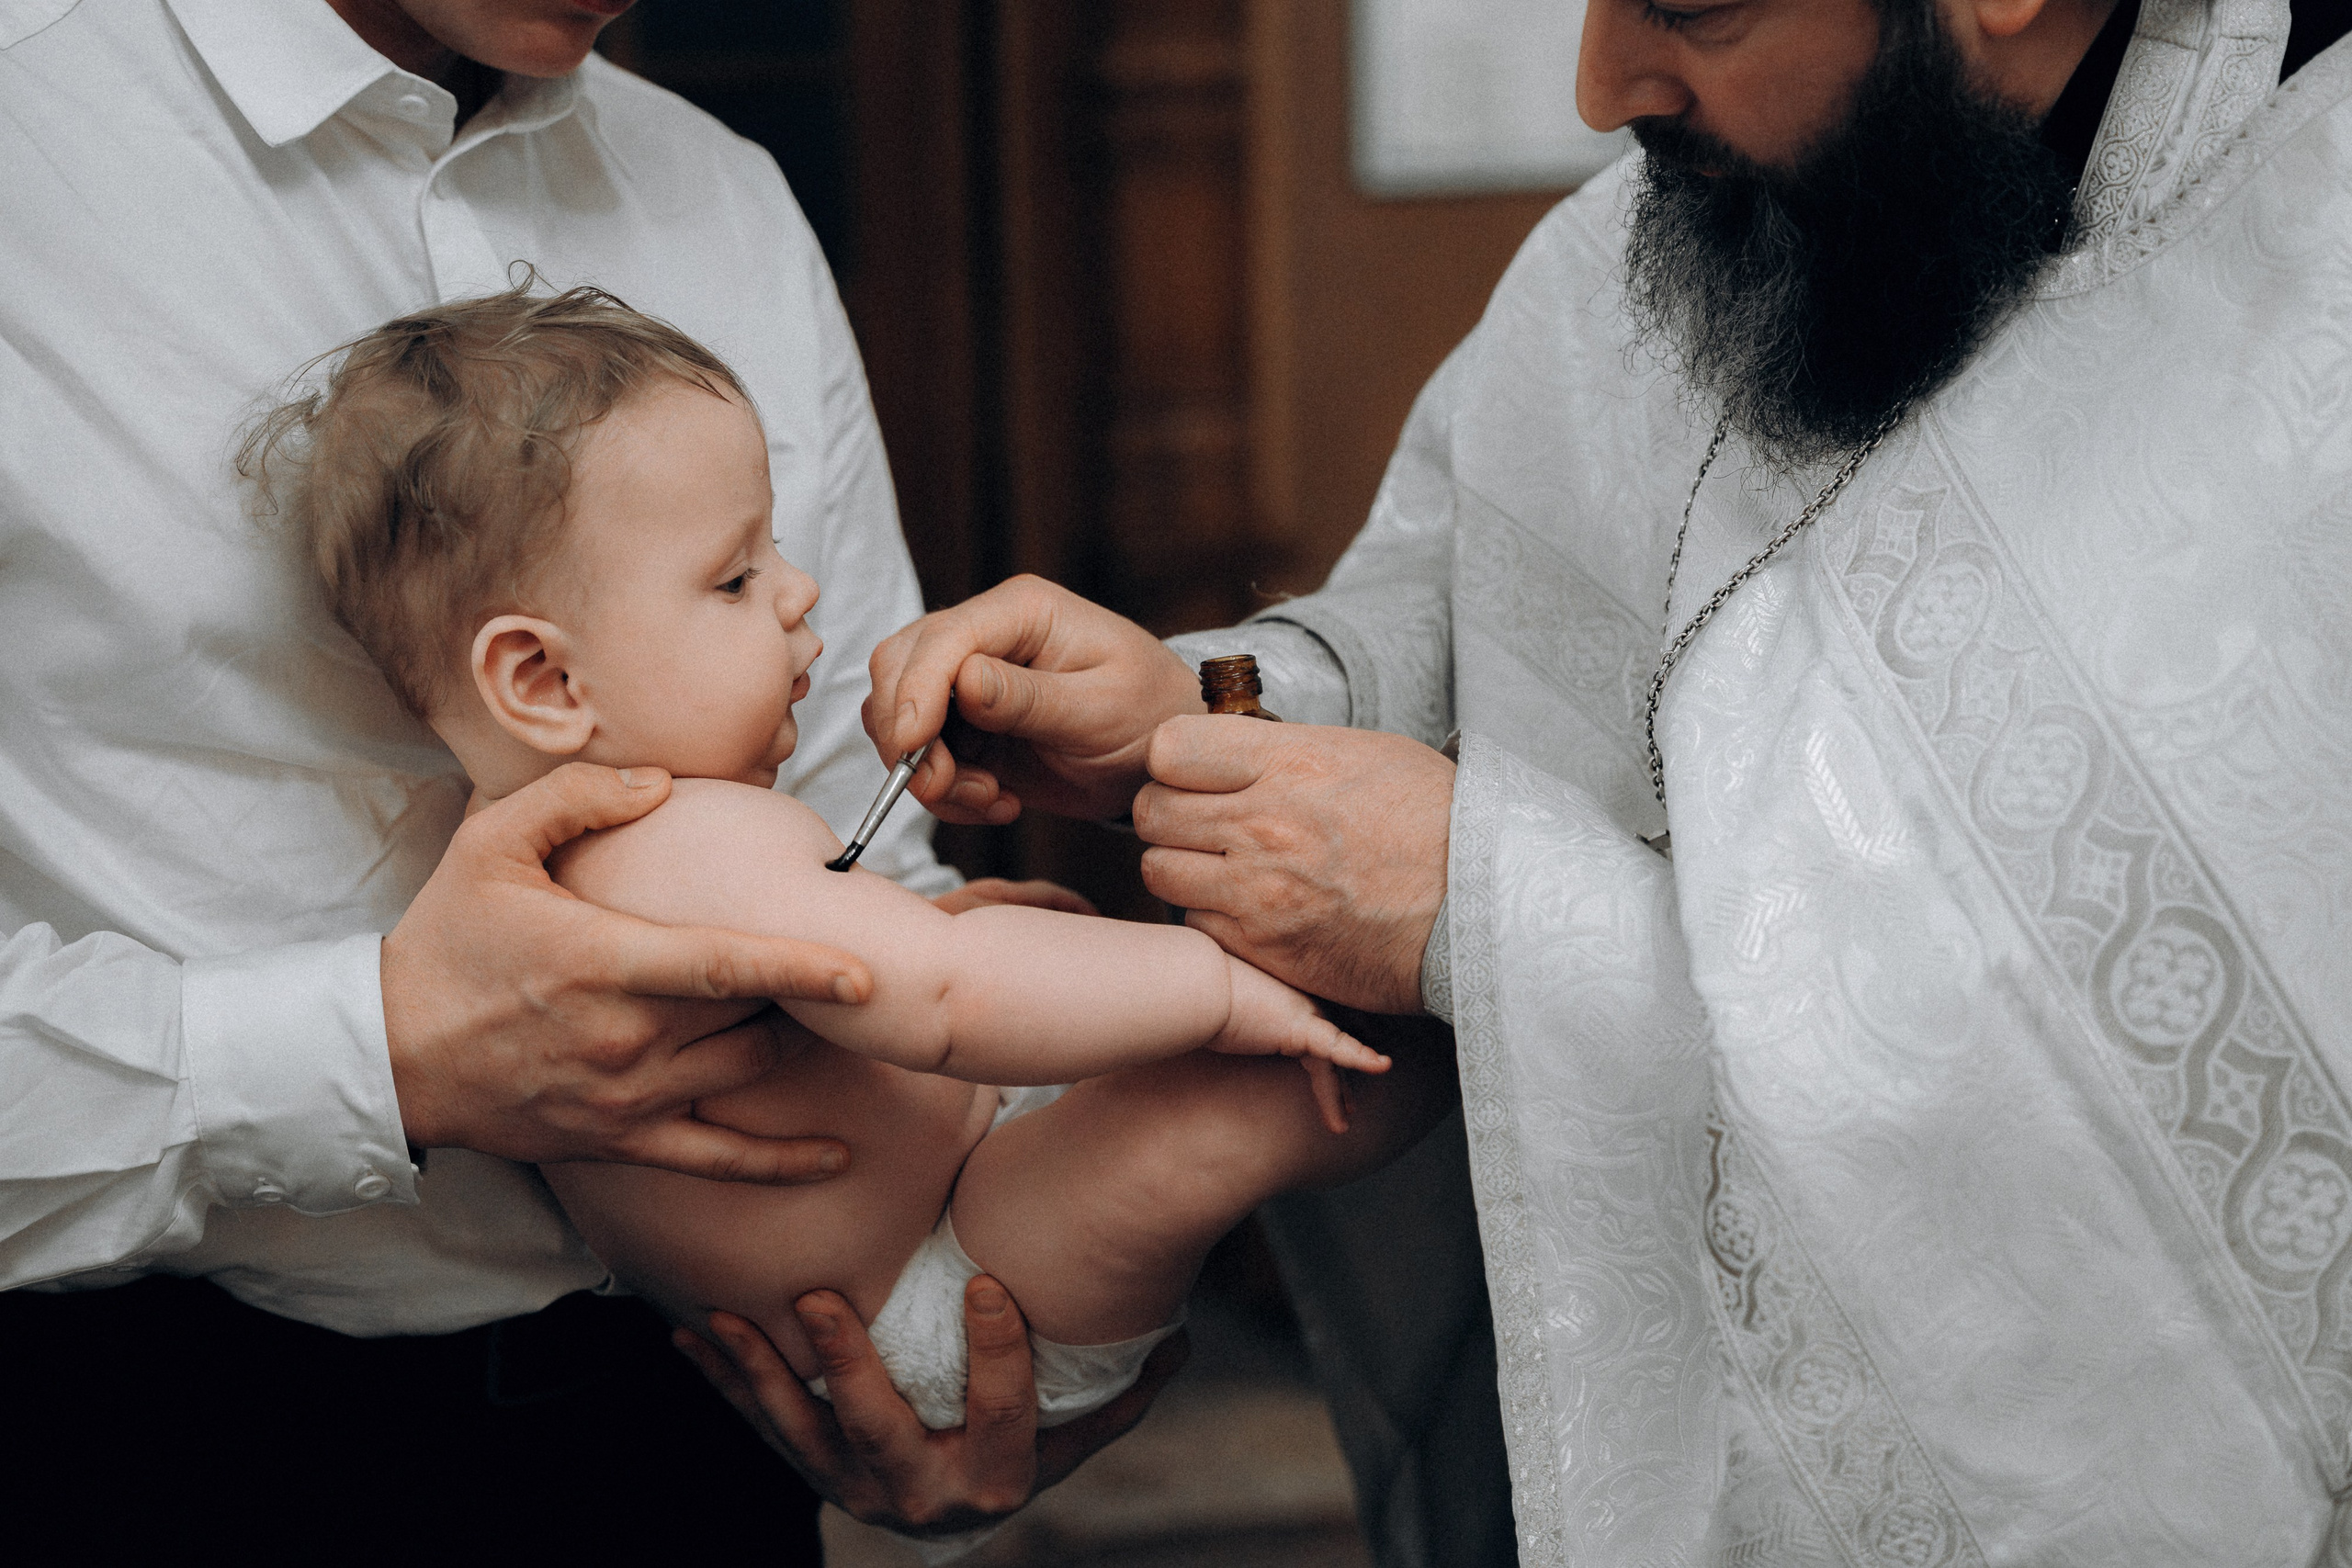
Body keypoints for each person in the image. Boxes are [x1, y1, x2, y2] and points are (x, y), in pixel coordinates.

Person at [799, 0, 2352, 1560]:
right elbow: (1491, 614)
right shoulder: (1677, 224)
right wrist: (1200, 709)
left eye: (1692, 7)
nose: (1600, 86)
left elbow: (2192, 1140)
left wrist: (1479, 903)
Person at [0, 0, 1150, 1552]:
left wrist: (982, 1327)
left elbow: (841, 819)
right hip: (130, 1430)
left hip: (691, 1416)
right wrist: (373, 1052)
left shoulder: (720, 194)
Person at [242, 286, 1451, 1507]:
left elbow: (864, 993)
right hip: (937, 1301)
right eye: (732, 577)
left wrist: (959, 934)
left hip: (948, 1217)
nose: (800, 592)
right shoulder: (666, 841)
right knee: (1235, 1109)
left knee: (1172, 1049)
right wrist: (1219, 992)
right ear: (544, 678)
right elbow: (933, 996)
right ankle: (1442, 1030)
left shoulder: (550, 861)